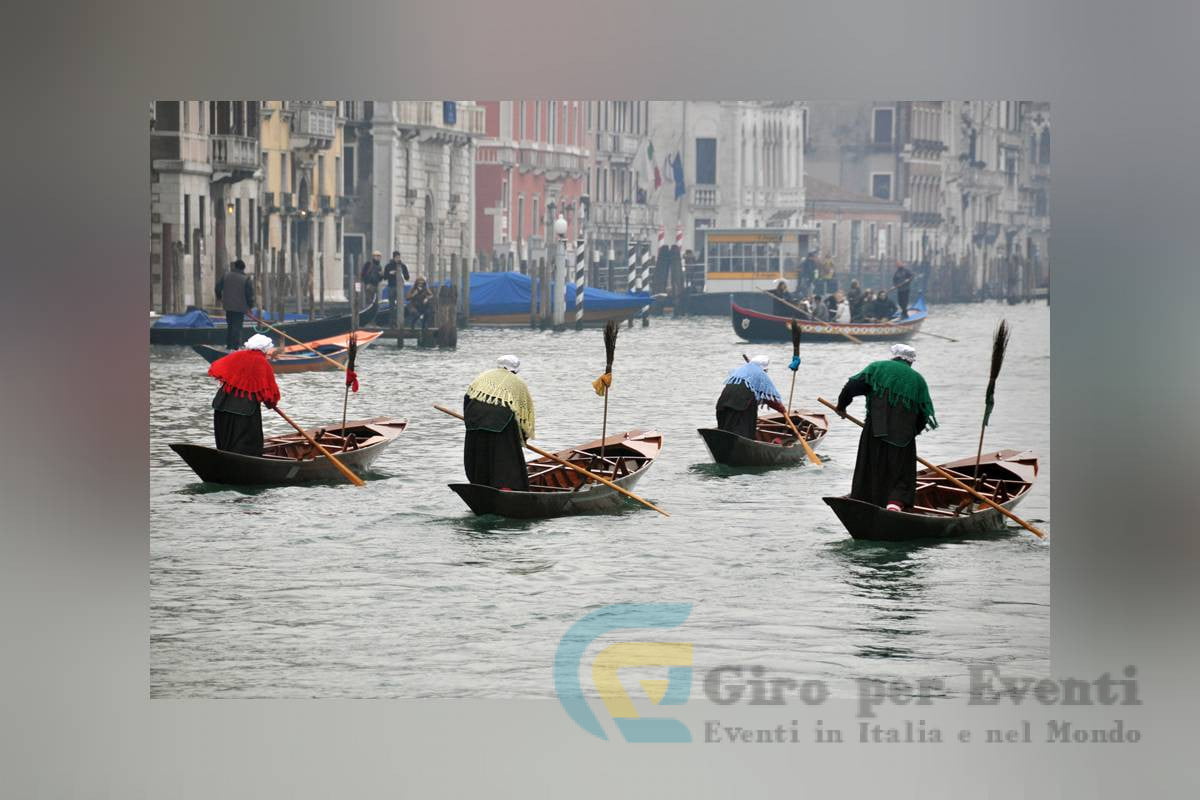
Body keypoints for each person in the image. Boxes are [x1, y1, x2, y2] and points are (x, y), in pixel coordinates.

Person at [835, 343, 937, 511]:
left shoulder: (877, 368)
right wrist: (912, 433)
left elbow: (851, 387)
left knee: (869, 466)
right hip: (904, 437)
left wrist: (841, 407)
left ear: (894, 356)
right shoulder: (918, 381)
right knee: (902, 473)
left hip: (875, 431)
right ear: (910, 361)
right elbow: (923, 416)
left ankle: (864, 501)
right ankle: (895, 503)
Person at [463, 355, 535, 490]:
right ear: (515, 370)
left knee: (479, 453)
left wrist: (469, 420)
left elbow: (467, 397)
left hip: (474, 420)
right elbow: (524, 415)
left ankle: (480, 485)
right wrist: (522, 439)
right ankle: (506, 487)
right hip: (501, 422)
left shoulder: (482, 377)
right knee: (506, 455)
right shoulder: (517, 383)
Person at [206, 333, 280, 457]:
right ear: (264, 349)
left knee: (226, 442)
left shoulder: (235, 356)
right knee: (247, 446)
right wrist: (271, 404)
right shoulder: (262, 363)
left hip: (221, 406)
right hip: (244, 411)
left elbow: (218, 369)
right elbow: (270, 396)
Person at [715, 355, 789, 440]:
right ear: (764, 369)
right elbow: (769, 399)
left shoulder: (740, 371)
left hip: (722, 405)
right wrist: (782, 409)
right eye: (766, 370)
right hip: (740, 408)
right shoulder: (760, 375)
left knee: (725, 430)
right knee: (744, 433)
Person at [214, 259, 255, 351]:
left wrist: (219, 298)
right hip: (240, 307)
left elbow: (217, 288)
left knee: (230, 325)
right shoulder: (246, 279)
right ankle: (236, 348)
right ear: (243, 268)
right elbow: (249, 295)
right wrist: (250, 307)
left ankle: (229, 346)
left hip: (228, 306)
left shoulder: (226, 276)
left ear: (235, 267)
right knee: (237, 327)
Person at [383, 250, 411, 326]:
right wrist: (390, 273)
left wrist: (401, 272)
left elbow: (407, 277)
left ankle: (400, 322)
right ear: (393, 257)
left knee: (400, 305)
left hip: (400, 288)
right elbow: (385, 277)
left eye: (399, 257)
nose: (398, 259)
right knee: (391, 305)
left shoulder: (403, 266)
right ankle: (391, 322)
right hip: (391, 287)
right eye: (396, 257)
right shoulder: (388, 266)